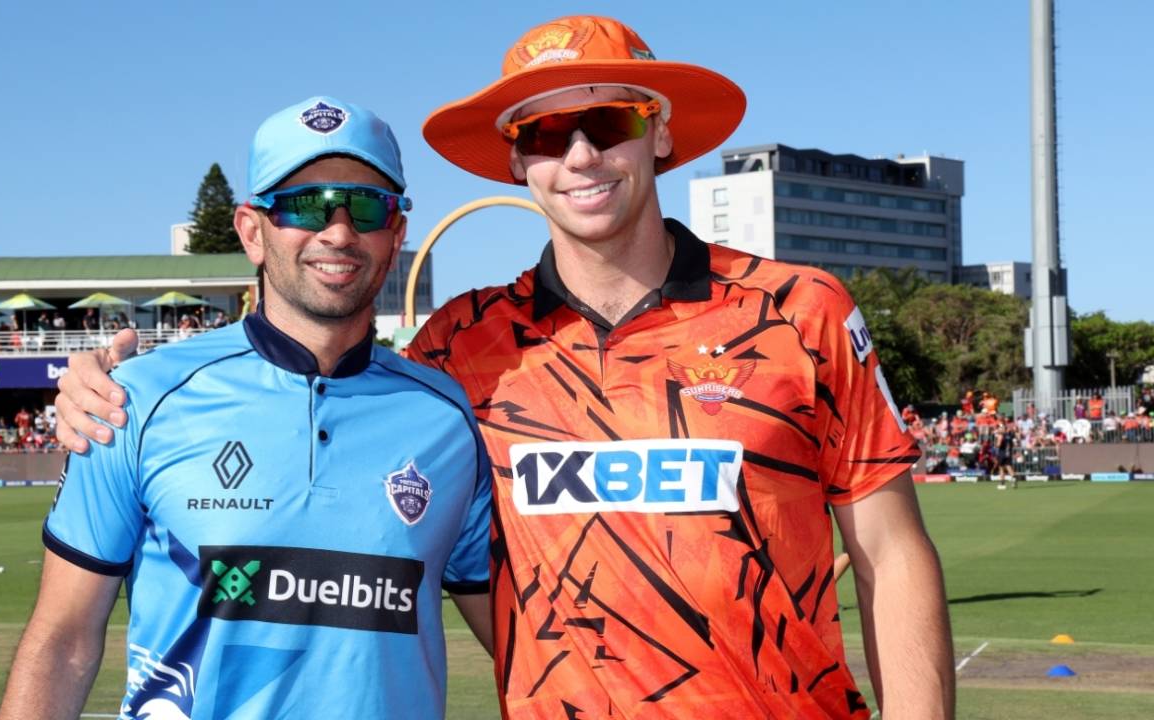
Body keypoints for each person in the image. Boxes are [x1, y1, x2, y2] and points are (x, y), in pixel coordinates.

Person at [54, 16, 953, 719]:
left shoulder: (801, 312)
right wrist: (96, 382)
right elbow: (311, 377)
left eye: (607, 122)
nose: (581, 157)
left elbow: (893, 551)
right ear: (518, 159)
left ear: (661, 134)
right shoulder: (459, 350)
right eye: (547, 133)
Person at [0, 97, 493, 720]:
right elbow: (64, 642)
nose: (337, 231)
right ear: (252, 231)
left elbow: (520, 640)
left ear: (395, 237)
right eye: (303, 206)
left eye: (366, 206)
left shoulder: (447, 416)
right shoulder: (134, 399)